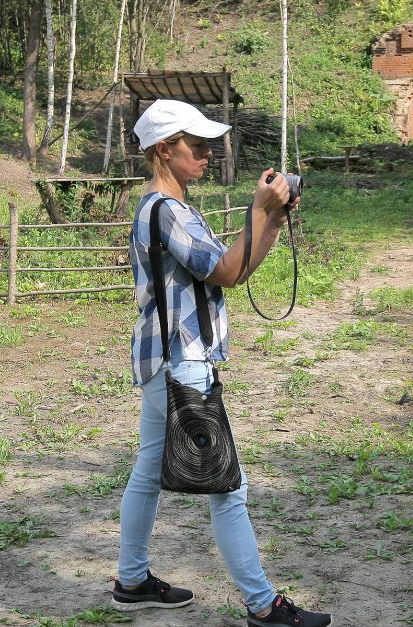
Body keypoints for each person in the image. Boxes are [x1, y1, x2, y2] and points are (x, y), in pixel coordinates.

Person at [112, 99, 333, 627]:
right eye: (197, 144)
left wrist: (272, 220)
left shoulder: (172, 209)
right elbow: (228, 272)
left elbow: (236, 266)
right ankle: (263, 605)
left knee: (147, 470)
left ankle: (132, 579)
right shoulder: (166, 211)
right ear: (164, 149)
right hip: (183, 363)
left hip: (165, 362)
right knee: (228, 486)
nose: (208, 154)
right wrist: (259, 210)